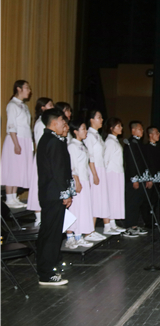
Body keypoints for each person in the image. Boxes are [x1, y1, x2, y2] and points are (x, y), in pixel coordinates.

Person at [35, 108, 74, 286]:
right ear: (55, 121)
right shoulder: (53, 141)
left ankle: (48, 267)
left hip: (49, 193)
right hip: (54, 193)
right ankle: (46, 273)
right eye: (62, 121)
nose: (64, 124)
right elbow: (58, 171)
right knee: (51, 235)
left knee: (49, 232)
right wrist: (66, 193)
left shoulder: (47, 139)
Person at [2, 80, 33, 209]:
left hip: (24, 139)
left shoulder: (23, 106)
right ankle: (9, 198)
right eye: (27, 88)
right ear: (19, 89)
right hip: (16, 139)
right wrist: (16, 144)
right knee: (12, 168)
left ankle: (14, 197)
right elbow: (11, 125)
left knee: (18, 169)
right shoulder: (12, 105)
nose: (29, 91)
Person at [65, 120, 96, 249]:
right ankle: (70, 237)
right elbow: (72, 166)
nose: (86, 131)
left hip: (84, 180)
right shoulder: (72, 145)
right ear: (75, 131)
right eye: (83, 129)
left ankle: (78, 236)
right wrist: (76, 181)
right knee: (75, 208)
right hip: (77, 180)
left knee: (82, 209)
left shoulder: (82, 145)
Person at [84, 110, 113, 237]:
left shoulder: (97, 135)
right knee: (94, 199)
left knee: (100, 199)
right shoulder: (89, 135)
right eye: (99, 117)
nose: (101, 120)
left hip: (100, 169)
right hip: (94, 170)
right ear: (91, 120)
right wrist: (95, 174)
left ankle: (95, 229)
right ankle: (89, 231)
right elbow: (90, 157)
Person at [26, 97, 55, 220]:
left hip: (47, 158)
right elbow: (40, 143)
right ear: (43, 108)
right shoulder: (40, 123)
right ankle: (38, 217)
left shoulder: (47, 122)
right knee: (38, 186)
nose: (53, 107)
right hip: (42, 159)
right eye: (50, 105)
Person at [122, 121, 151, 237]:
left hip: (142, 177)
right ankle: (129, 226)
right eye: (139, 129)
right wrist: (134, 179)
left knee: (138, 202)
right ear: (133, 130)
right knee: (132, 203)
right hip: (133, 179)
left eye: (142, 129)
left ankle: (134, 225)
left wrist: (146, 178)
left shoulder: (139, 143)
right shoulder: (130, 144)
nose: (142, 131)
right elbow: (131, 162)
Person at [103, 118, 126, 233]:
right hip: (111, 173)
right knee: (110, 198)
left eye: (121, 126)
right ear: (111, 128)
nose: (121, 128)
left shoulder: (114, 141)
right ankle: (107, 226)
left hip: (117, 173)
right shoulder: (110, 142)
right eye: (118, 126)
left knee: (115, 198)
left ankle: (113, 223)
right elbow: (105, 160)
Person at [142, 126, 160, 229]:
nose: (158, 135)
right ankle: (147, 221)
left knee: (155, 200)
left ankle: (153, 220)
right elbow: (146, 165)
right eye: (156, 133)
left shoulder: (158, 148)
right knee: (148, 200)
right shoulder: (146, 148)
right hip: (150, 178)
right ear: (150, 135)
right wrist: (149, 179)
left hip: (157, 178)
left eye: (158, 133)